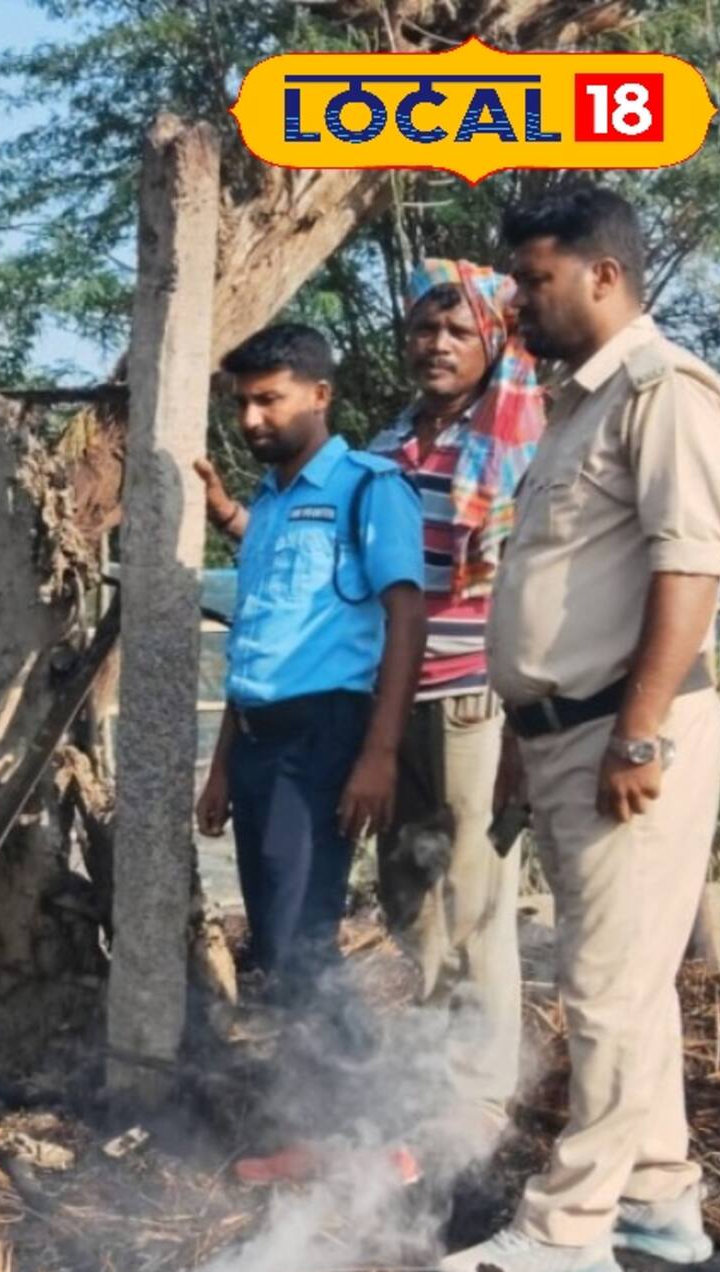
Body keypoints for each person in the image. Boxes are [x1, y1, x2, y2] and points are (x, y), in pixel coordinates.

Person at [439, 188, 720, 1272]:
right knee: (629, 981)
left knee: (602, 989)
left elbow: (687, 570)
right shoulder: (575, 408)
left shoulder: (664, 394)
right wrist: (527, 734)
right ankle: (656, 1198)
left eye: (533, 280)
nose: (517, 303)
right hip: (566, 732)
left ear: (601, 276)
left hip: (627, 732)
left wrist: (639, 733)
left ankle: (566, 1234)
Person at [204, 263, 545, 1148]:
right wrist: (239, 520)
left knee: (470, 893)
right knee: (409, 897)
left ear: (496, 343)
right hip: (387, 697)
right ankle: (418, 1085)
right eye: (425, 331)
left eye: (459, 332)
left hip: (465, 687)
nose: (436, 345)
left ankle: (473, 1102)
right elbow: (328, 574)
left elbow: (472, 581)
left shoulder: (515, 439)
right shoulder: (400, 441)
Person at [193, 323, 427, 1183]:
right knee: (279, 944)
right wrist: (221, 763)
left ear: (319, 396)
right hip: (258, 742)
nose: (253, 417)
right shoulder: (273, 506)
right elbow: (253, 640)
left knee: (305, 945)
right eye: (244, 402)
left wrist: (380, 753)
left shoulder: (371, 491)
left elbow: (407, 617)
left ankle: (380, 1141)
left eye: (270, 398)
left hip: (326, 737)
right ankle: (319, 1134)